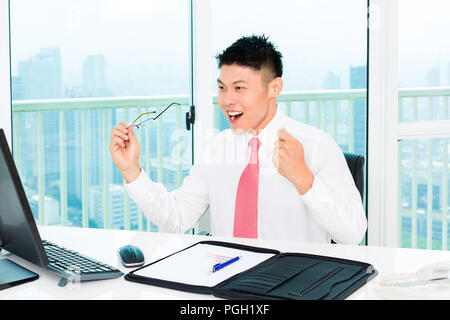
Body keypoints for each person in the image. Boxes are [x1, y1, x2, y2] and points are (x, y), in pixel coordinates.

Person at [110, 34, 367, 244]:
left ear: (274, 88)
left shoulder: (316, 146)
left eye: (240, 88)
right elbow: (177, 218)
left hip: (294, 285)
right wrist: (132, 171)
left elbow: (353, 234)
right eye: (222, 88)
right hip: (225, 281)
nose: (227, 100)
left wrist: (304, 178)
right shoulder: (217, 148)